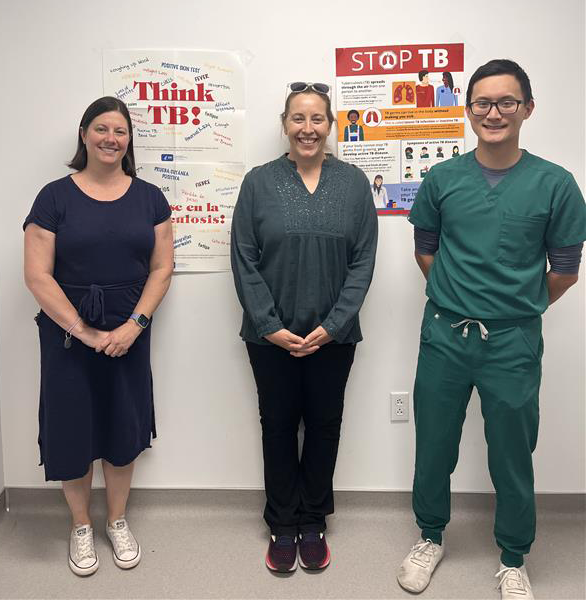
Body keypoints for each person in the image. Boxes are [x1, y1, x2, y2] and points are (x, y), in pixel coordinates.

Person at [397, 59, 586, 599]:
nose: (494, 113)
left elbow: (565, 271)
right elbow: (425, 250)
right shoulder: (443, 179)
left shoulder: (555, 184)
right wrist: (460, 298)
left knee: (512, 452)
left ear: (527, 108)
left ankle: (513, 557)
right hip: (445, 334)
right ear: (468, 111)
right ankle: (430, 536)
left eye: (506, 102)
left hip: (513, 341)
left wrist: (513, 307)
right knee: (434, 444)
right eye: (482, 102)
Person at [231, 82, 377, 574]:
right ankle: (281, 522)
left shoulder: (354, 184)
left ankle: (313, 520)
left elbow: (363, 262)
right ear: (284, 124)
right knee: (276, 427)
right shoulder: (258, 183)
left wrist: (334, 325)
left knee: (323, 426)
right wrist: (268, 325)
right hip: (269, 338)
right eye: (298, 118)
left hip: (333, 338)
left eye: (317, 119)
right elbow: (244, 257)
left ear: (330, 125)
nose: (307, 128)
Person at [23, 96, 173, 576]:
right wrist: (84, 332)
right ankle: (81, 524)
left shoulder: (150, 197)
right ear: (84, 134)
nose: (111, 138)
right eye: (102, 129)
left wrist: (134, 326)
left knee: (123, 427)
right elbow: (37, 275)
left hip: (130, 334)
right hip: (68, 337)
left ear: (129, 140)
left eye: (120, 131)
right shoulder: (53, 197)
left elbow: (162, 268)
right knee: (72, 428)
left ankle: (117, 519)